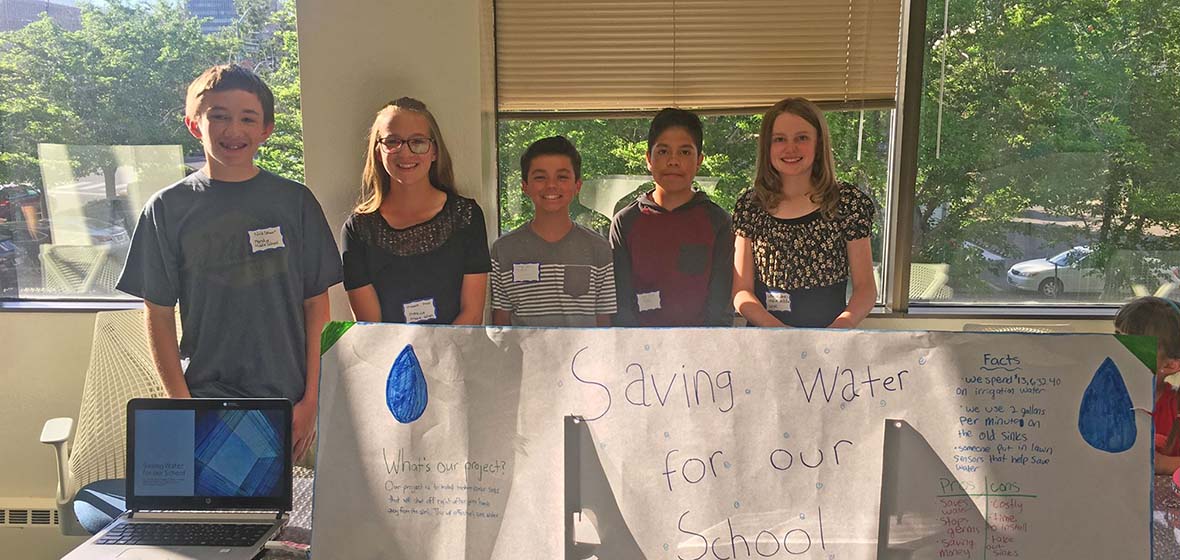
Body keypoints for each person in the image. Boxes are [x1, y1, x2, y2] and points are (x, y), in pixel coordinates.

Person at [117, 64, 343, 461]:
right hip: (207, 400)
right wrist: (181, 405)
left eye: (247, 118)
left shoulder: (296, 202)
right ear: (194, 124)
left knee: (293, 516)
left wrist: (312, 397)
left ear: (266, 129)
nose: (232, 130)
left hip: (289, 400)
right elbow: (158, 314)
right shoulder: (167, 209)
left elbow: (316, 305)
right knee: (220, 517)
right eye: (218, 116)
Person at [342, 97, 490, 325]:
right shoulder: (358, 229)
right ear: (378, 152)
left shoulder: (466, 217)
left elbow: (471, 314)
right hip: (389, 360)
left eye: (418, 142)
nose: (406, 152)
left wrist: (438, 360)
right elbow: (370, 327)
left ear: (434, 151)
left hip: (455, 357)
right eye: (393, 141)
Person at [732, 97, 876, 328]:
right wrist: (780, 332)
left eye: (802, 138)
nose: (791, 148)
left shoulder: (848, 203)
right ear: (767, 146)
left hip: (828, 342)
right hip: (766, 341)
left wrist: (834, 333)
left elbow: (866, 290)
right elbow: (741, 291)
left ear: (818, 144)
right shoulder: (751, 206)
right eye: (779, 139)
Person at [610, 108, 734, 327]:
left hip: (702, 352)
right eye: (663, 151)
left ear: (699, 161)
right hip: (639, 354)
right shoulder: (625, 222)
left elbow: (720, 306)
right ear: (649, 159)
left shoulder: (719, 222)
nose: (673, 161)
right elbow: (621, 305)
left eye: (685, 152)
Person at [490, 136, 615, 327]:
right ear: (524, 186)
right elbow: (501, 325)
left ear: (577, 185)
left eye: (562, 177)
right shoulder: (504, 249)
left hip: (583, 357)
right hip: (523, 357)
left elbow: (604, 323)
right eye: (540, 177)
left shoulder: (599, 249)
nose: (551, 185)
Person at [1114, 296, 1180, 474]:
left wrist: (1161, 463)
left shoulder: (1175, 407)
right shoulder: (1101, 399)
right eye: (1116, 336)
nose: (1117, 348)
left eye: (1133, 345)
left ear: (1170, 365)